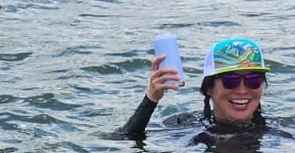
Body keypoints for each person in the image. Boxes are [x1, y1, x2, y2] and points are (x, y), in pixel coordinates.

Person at [116, 36, 276, 147]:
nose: (242, 90)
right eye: (230, 80)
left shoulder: (276, 131)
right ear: (208, 88)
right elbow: (124, 139)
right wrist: (151, 99)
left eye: (253, 80)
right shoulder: (185, 124)